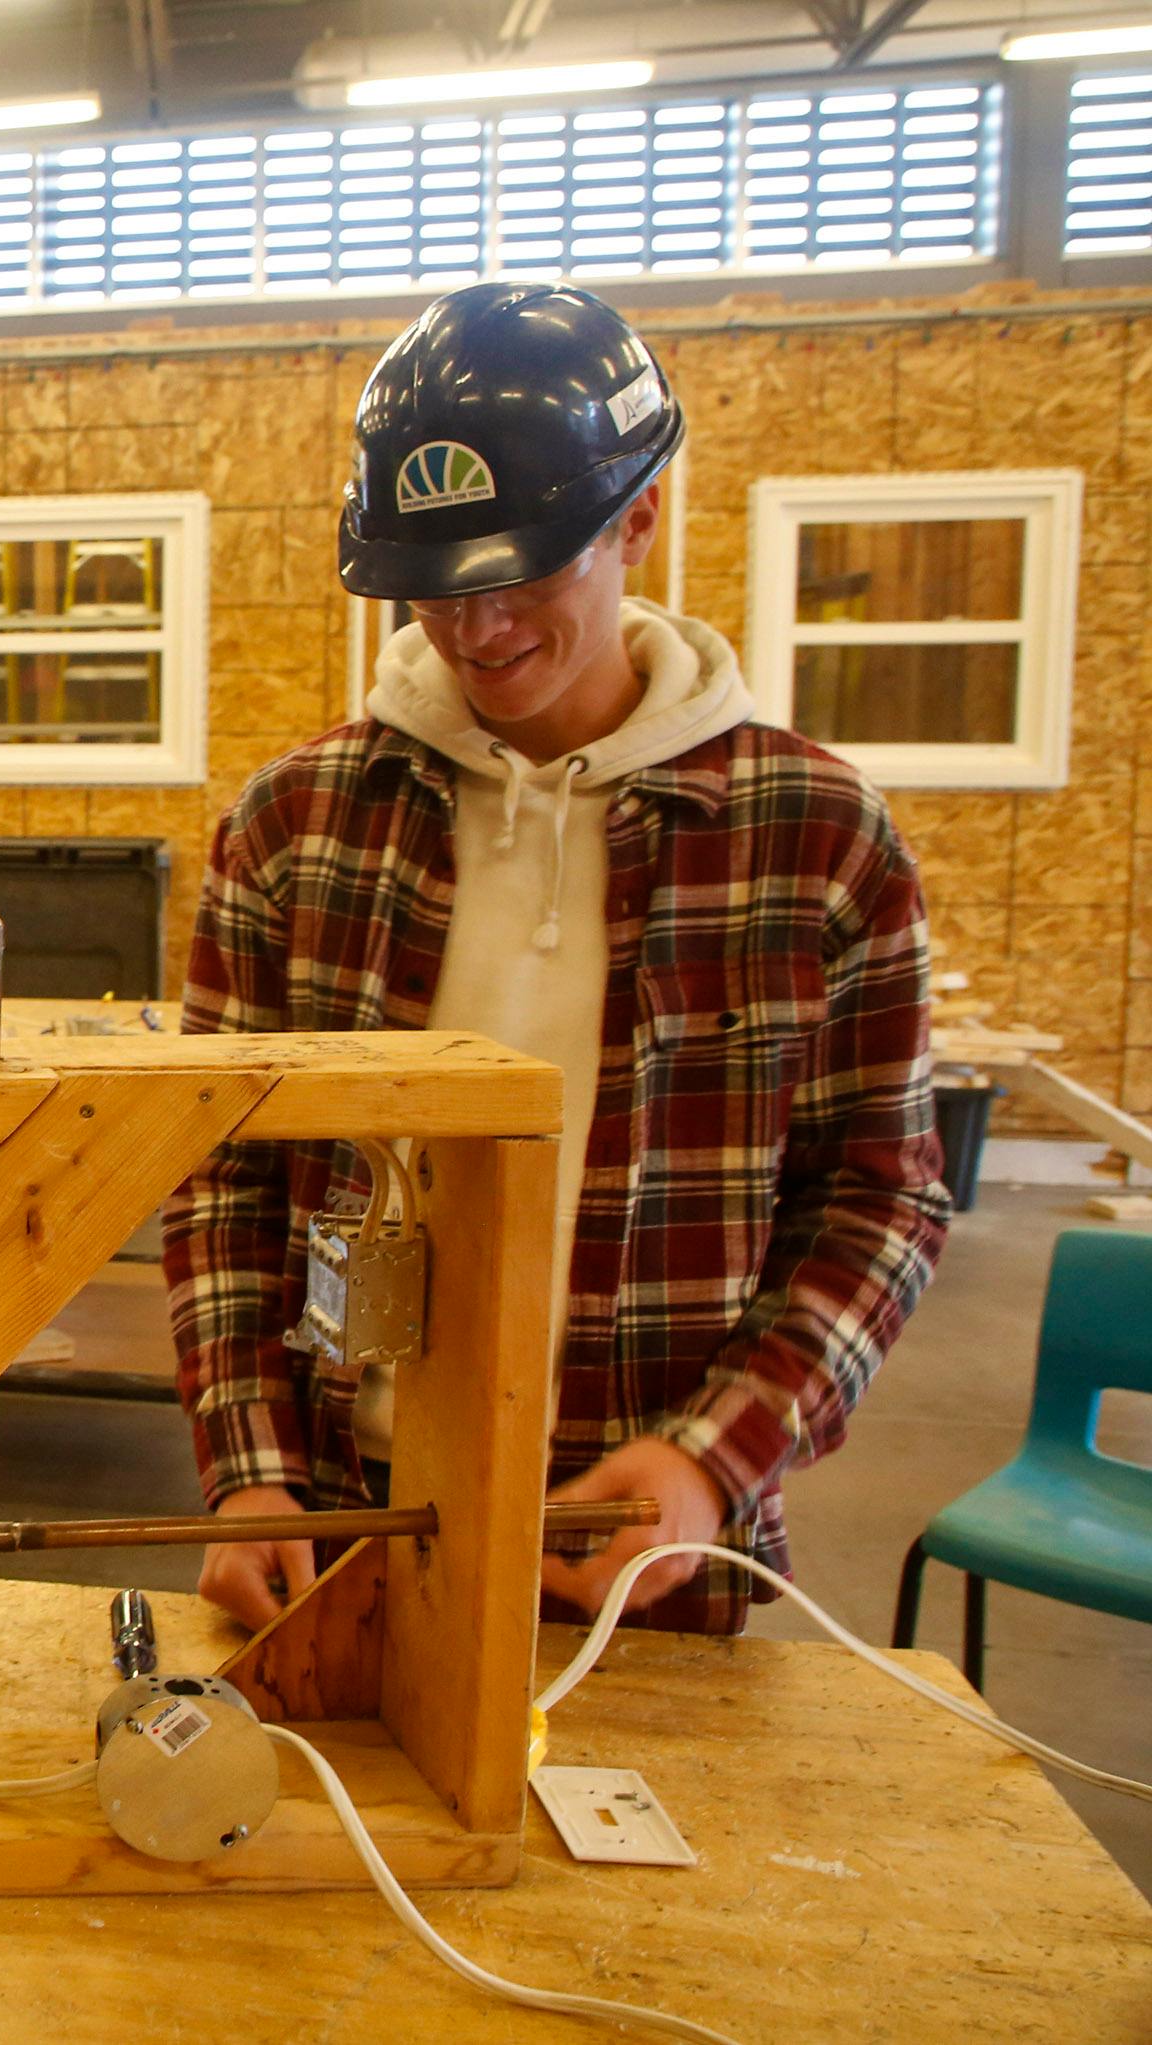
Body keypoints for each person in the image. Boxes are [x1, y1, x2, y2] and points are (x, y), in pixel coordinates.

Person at [162, 281, 949, 1637]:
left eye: (522, 573)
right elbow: (222, 1169)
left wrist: (715, 1462)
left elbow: (881, 1200)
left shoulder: (815, 837)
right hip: (345, 1511)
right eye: (433, 589)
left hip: (643, 1541)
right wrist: (252, 1474)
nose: (475, 632)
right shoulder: (299, 824)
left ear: (638, 515)